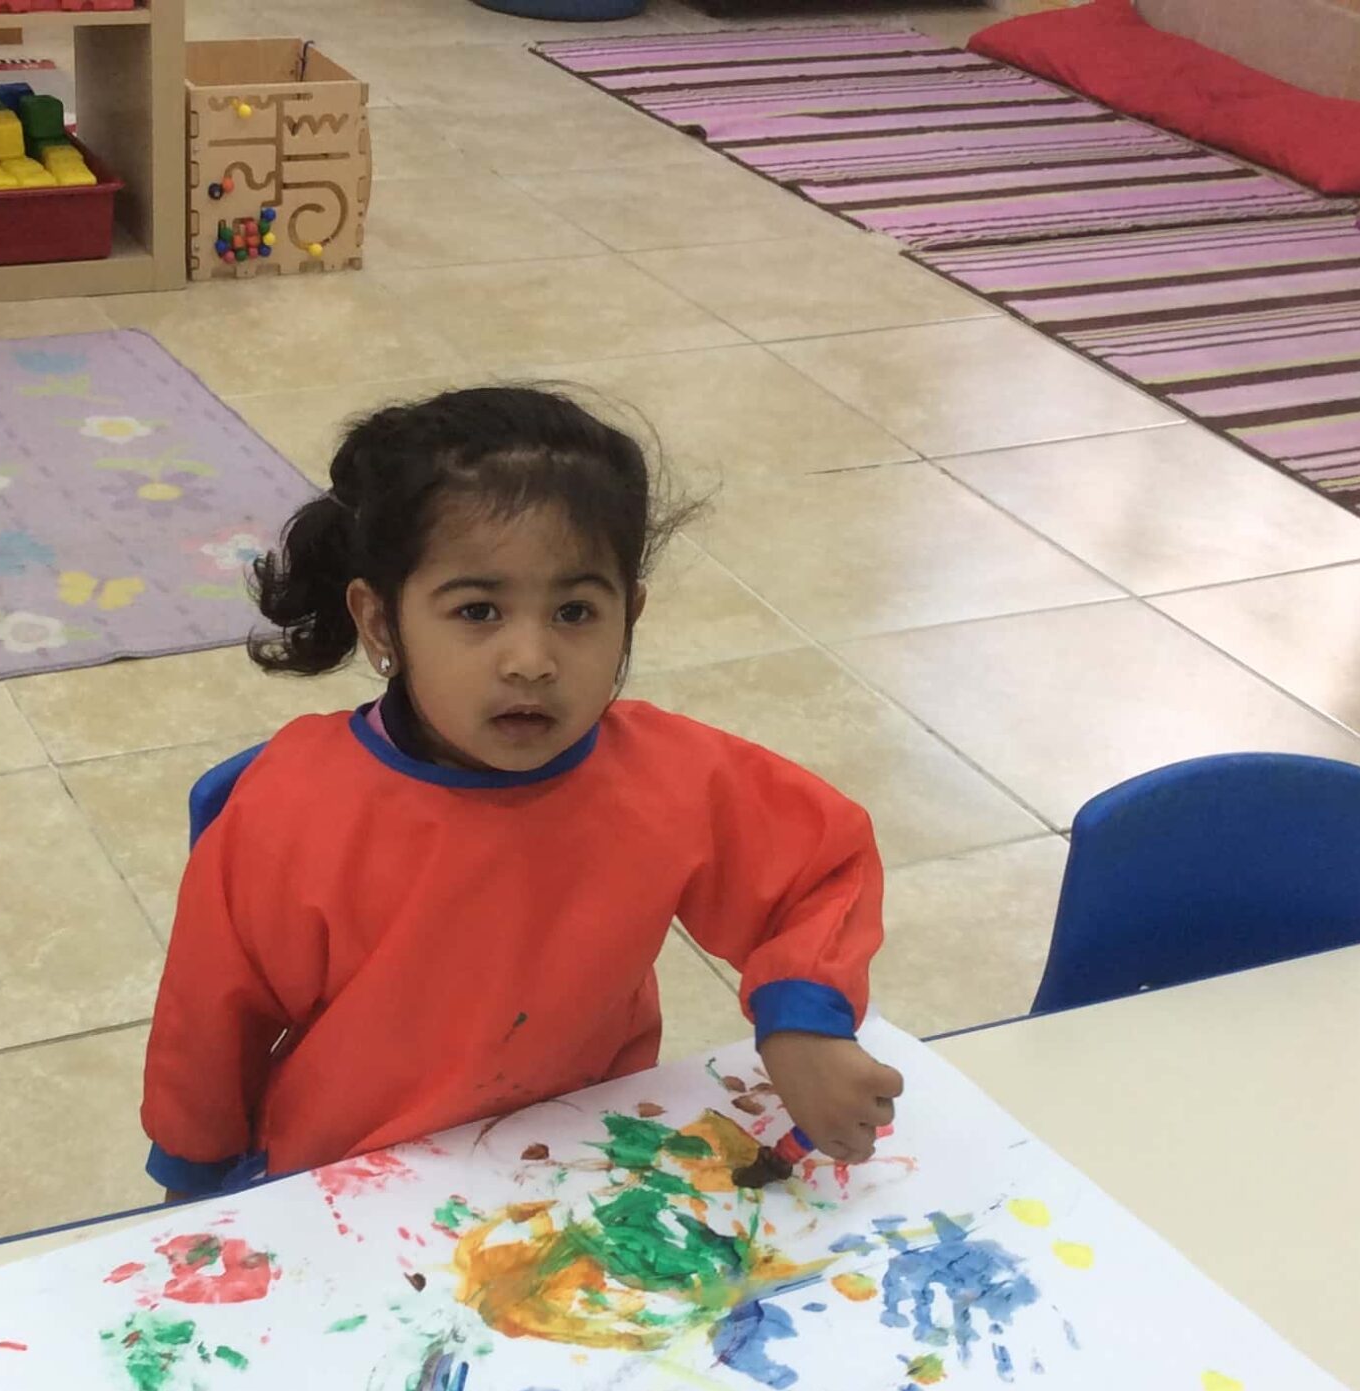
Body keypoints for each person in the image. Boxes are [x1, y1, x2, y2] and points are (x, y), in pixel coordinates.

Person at [140, 386, 903, 1201]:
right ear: (382, 622)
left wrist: (804, 1022)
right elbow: (208, 1025)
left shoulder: (672, 776)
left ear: (630, 616)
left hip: (580, 1165)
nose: (532, 661)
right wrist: (194, 1185)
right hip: (350, 1184)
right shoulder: (291, 807)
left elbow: (819, 868)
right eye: (478, 611)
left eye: (576, 611)